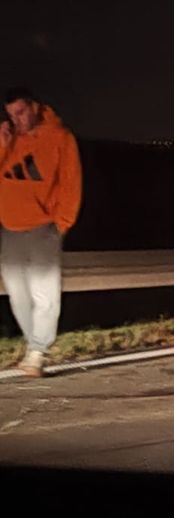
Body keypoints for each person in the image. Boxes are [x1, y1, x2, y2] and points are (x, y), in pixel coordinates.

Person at [0, 87, 82, 377]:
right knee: (17, 295)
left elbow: (71, 182)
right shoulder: (9, 139)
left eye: (21, 112)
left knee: (44, 293)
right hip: (9, 229)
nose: (18, 119)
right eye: (12, 115)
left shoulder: (60, 137)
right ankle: (32, 345)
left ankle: (37, 351)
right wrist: (4, 145)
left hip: (43, 227)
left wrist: (61, 224)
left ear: (35, 107)